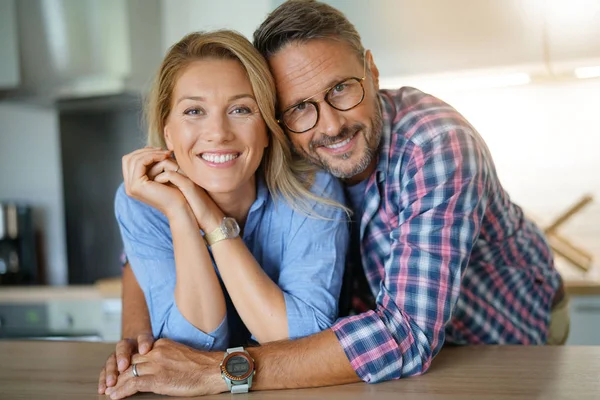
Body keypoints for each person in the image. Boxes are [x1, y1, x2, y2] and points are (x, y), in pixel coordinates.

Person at [102, 1, 569, 398]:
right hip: (377, 358)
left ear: (371, 69)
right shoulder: (280, 157)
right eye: (300, 106)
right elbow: (142, 252)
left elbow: (407, 335)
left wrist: (220, 371)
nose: (329, 125)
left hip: (501, 340)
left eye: (341, 88)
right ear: (277, 119)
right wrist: (137, 343)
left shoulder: (435, 144)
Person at [98, 28, 350, 397]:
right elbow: (189, 344)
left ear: (267, 128)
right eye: (194, 111)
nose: (217, 132)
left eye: (241, 109)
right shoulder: (142, 200)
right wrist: (180, 212)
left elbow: (300, 339)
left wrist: (212, 221)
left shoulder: (312, 188)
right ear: (168, 132)